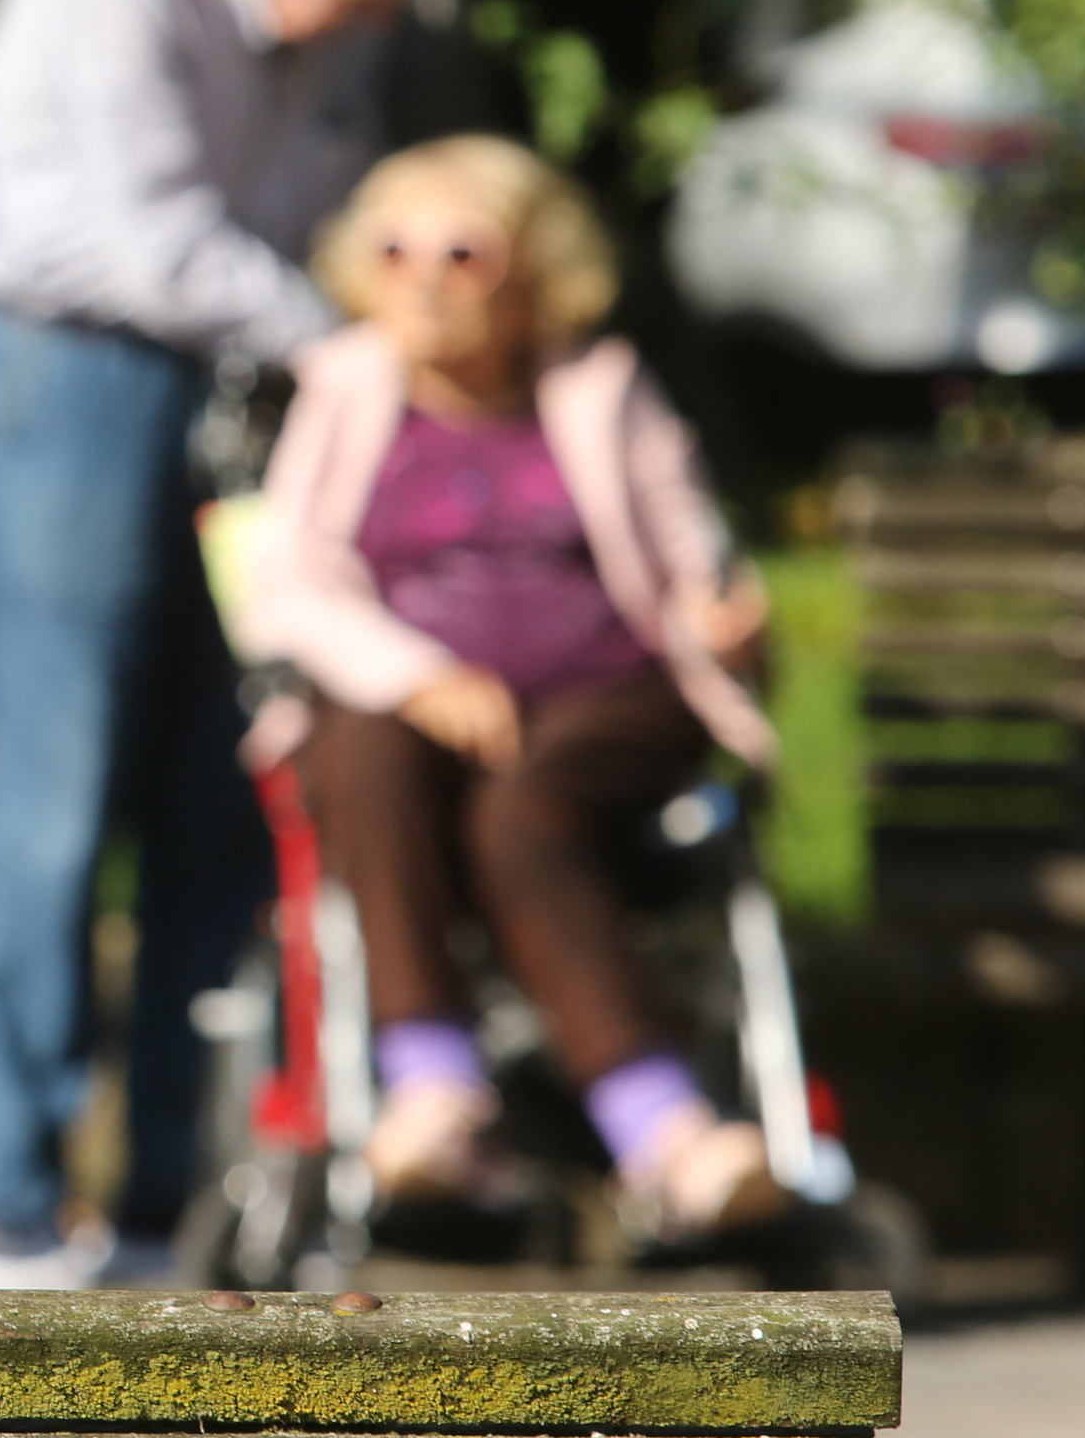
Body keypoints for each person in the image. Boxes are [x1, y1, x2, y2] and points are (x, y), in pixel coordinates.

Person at [0, 0, 463, 1288]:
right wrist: (353, 350)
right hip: (76, 373)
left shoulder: (341, 10)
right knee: (59, 790)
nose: (378, 13)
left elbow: (325, 208)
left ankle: (181, 1200)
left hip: (250, 392)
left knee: (224, 793)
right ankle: (10, 1214)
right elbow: (143, 238)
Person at [246, 137, 784, 1240]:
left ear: (532, 270)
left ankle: (665, 1130)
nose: (423, 276)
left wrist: (726, 617)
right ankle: (432, 1087)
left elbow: (691, 561)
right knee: (359, 743)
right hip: (415, 695)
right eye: (394, 248)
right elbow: (284, 579)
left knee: (522, 810)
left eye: (462, 251)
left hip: (607, 697)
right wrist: (421, 673)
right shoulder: (343, 384)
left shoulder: (602, 386)